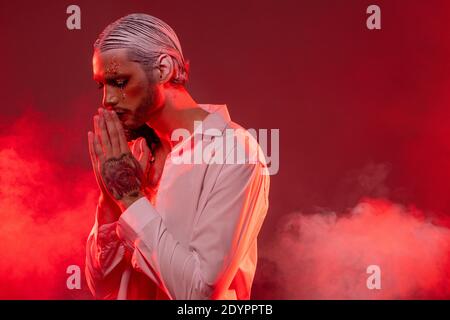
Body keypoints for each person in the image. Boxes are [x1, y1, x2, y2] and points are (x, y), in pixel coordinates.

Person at [85, 13, 270, 300]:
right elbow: (103, 289)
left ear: (164, 69)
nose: (107, 99)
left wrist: (131, 198)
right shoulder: (134, 155)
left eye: (119, 82)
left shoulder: (234, 153)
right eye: (102, 86)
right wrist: (109, 200)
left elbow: (199, 295)